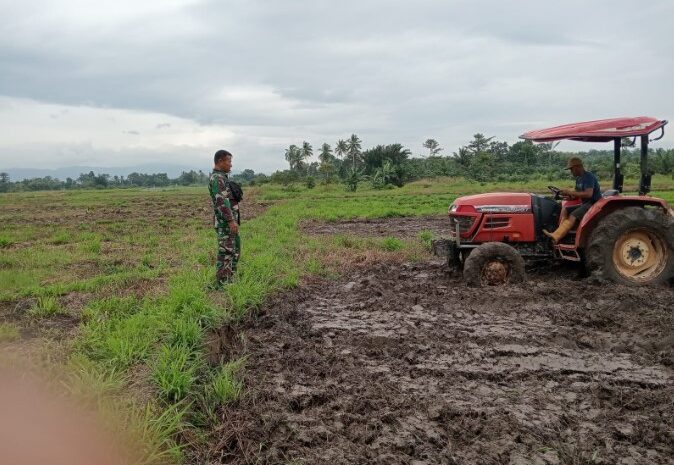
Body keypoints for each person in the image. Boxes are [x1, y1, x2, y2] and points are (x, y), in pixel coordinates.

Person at [543, 157, 601, 243]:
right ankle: (560, 231)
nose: (571, 172)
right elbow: (577, 195)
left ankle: (556, 236)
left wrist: (570, 192)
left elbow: (589, 194)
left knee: (573, 214)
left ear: (577, 167)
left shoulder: (589, 177)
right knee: (565, 209)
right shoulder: (578, 179)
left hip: (593, 203)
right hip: (584, 203)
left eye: (571, 169)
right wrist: (566, 195)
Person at [208, 149, 241, 287]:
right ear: (220, 161)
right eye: (229, 161)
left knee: (235, 250)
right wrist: (230, 221)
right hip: (225, 223)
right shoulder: (217, 179)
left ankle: (230, 279)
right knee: (226, 252)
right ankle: (222, 284)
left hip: (229, 223)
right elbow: (221, 202)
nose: (231, 165)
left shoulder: (222, 177)